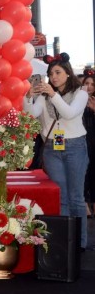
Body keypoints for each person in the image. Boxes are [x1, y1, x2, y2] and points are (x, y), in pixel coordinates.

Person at [24, 52, 89, 251]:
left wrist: (53, 95)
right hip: (52, 148)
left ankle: (80, 242)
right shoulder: (45, 96)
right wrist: (27, 97)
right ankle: (65, 239)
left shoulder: (81, 93)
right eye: (51, 73)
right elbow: (31, 115)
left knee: (76, 197)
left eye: (58, 72)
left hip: (75, 146)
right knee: (61, 196)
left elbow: (69, 114)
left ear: (68, 73)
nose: (53, 77)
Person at [81, 70, 95, 218]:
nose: (90, 86)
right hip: (81, 141)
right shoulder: (77, 100)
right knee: (83, 172)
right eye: (87, 83)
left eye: (92, 84)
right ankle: (84, 203)